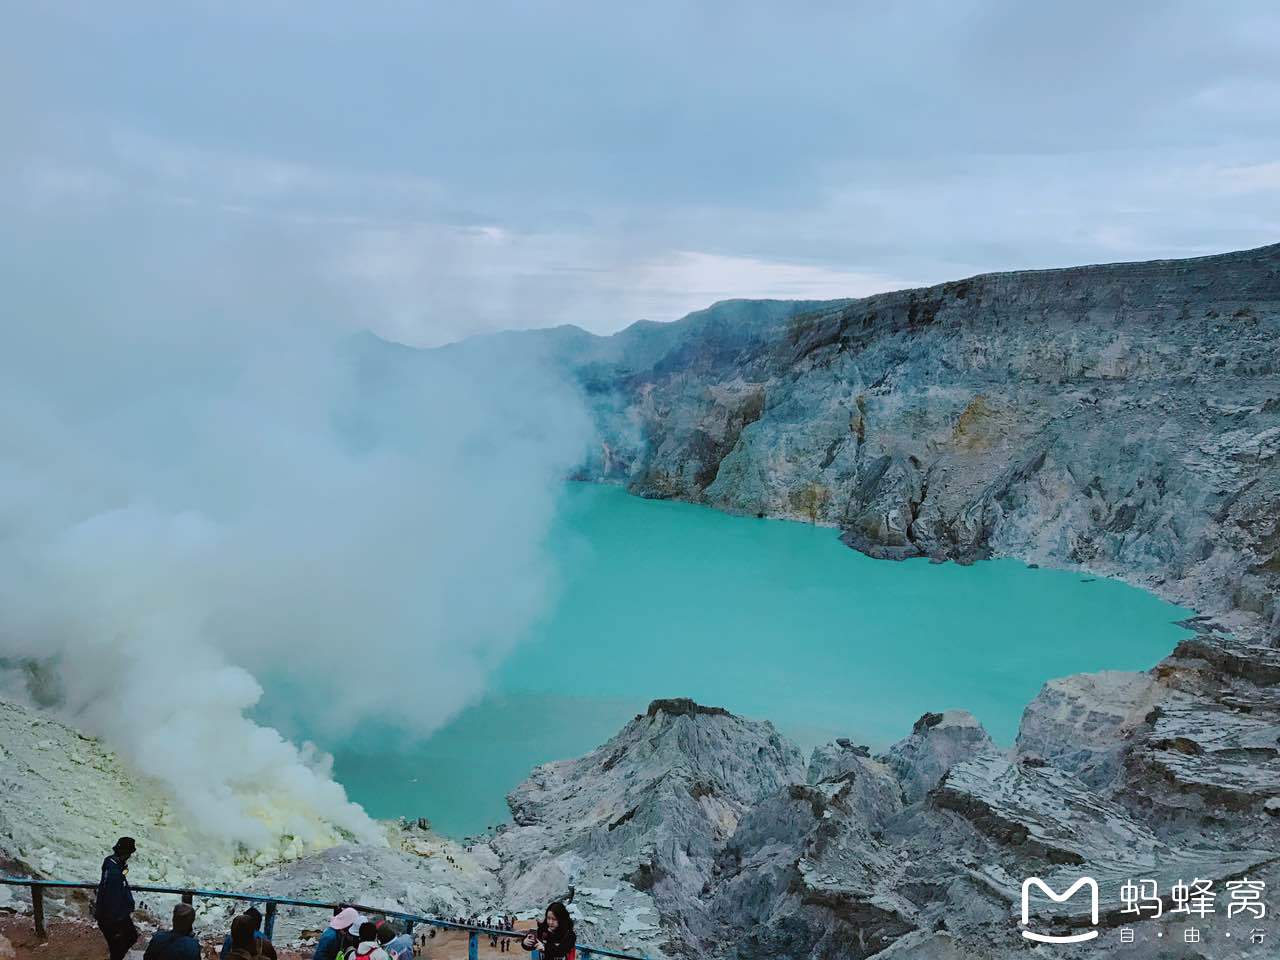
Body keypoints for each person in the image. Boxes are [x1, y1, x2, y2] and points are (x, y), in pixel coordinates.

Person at [96, 836, 138, 960]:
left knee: (128, 939)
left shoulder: (110, 861)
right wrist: (116, 922)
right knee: (120, 944)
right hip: (113, 917)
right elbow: (112, 898)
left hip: (114, 914)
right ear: (127, 853)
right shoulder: (114, 874)